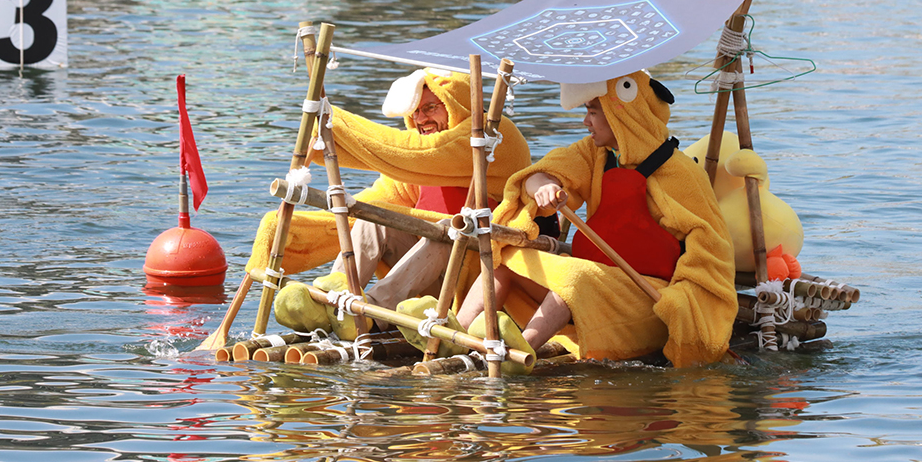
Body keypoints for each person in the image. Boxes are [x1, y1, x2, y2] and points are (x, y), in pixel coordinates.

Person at [454, 70, 738, 371]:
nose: (585, 122)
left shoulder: (682, 174)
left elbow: (711, 250)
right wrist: (545, 187)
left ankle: (519, 353)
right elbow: (537, 175)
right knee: (507, 261)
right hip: (599, 280)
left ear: (622, 113)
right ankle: (454, 335)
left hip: (649, 298)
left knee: (575, 280)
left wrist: (682, 302)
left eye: (592, 112)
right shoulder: (596, 154)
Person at [246, 68, 532, 335]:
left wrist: (334, 122)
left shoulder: (492, 137)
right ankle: (334, 298)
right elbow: (373, 201)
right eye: (415, 112)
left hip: (476, 277)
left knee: (447, 230)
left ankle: (370, 315)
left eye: (431, 107)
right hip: (426, 275)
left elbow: (423, 153)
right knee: (374, 217)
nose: (421, 120)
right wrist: (298, 227)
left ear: (456, 104)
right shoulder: (414, 164)